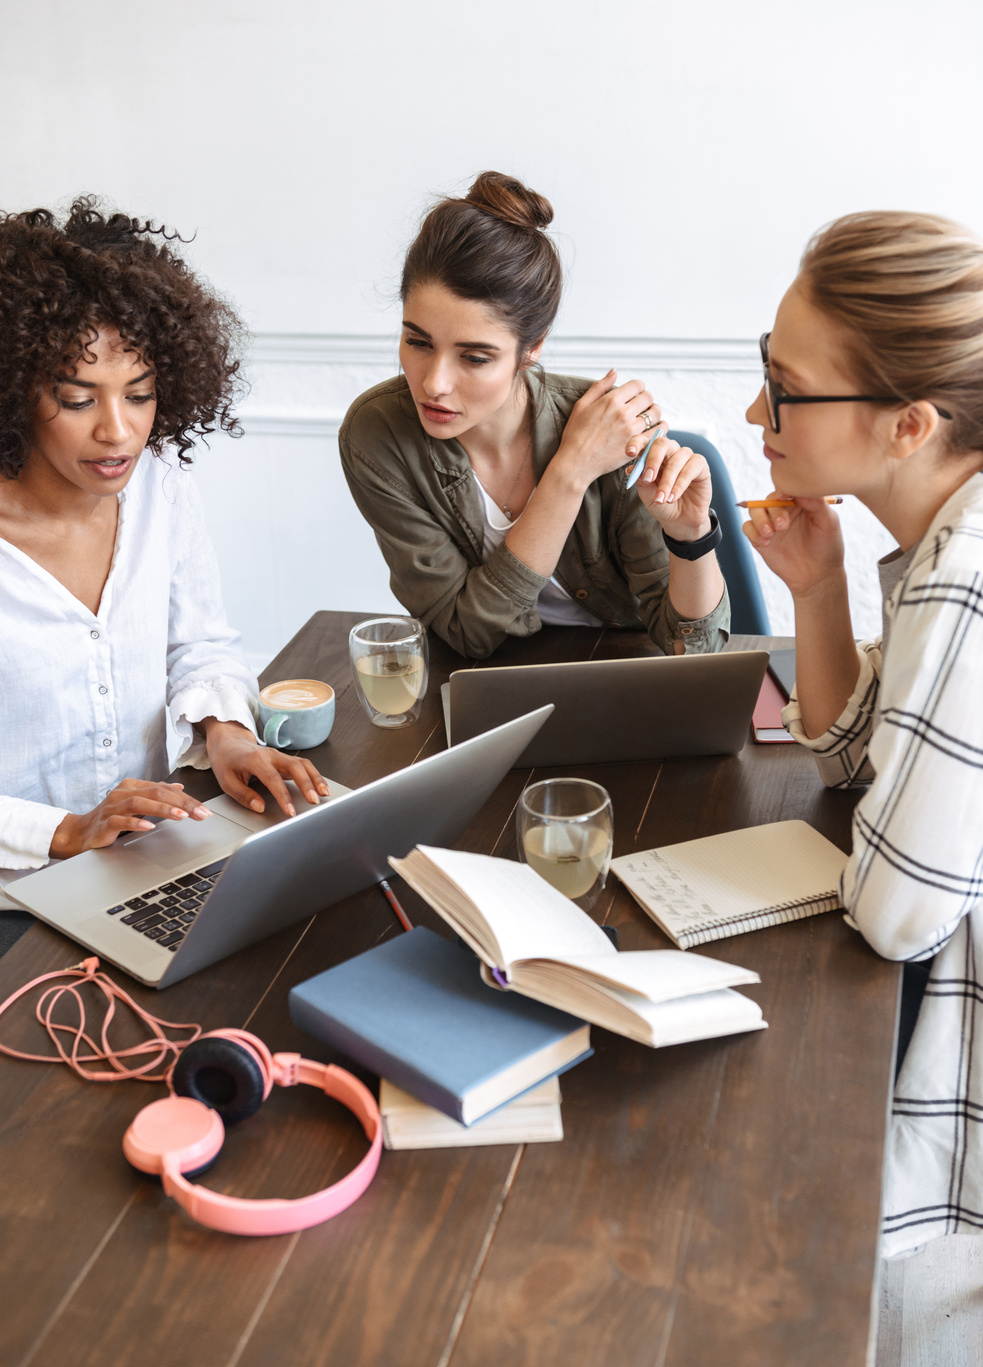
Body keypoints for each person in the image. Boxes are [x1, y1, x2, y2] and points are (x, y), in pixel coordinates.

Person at [742, 211, 983, 1257]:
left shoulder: (966, 580)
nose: (758, 408)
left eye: (786, 386)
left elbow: (895, 911)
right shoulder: (937, 543)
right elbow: (852, 765)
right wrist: (815, 585)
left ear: (906, 426)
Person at [0, 199, 329, 944]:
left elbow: (200, 644)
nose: (118, 430)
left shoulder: (157, 485)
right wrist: (68, 832)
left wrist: (227, 734)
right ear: (16, 385)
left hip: (154, 865)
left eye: (140, 394)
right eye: (77, 398)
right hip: (20, 903)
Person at [339, 172, 729, 660]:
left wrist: (689, 536)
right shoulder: (379, 436)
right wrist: (570, 473)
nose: (434, 383)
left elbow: (694, 648)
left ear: (532, 348)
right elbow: (464, 632)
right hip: (483, 685)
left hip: (619, 678)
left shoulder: (615, 430)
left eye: (475, 357)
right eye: (418, 342)